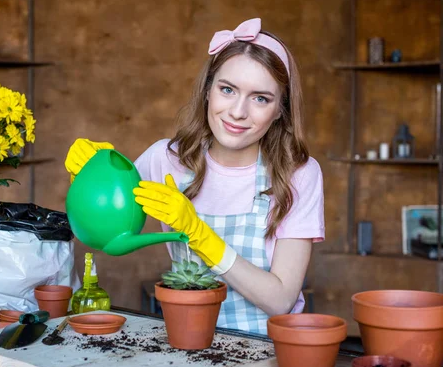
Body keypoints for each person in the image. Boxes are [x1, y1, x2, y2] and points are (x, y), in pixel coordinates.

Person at [64, 18, 324, 335]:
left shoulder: (298, 174)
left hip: (270, 351)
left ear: (280, 109)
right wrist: (91, 176)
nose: (238, 112)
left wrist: (200, 235)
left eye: (260, 98)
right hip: (187, 339)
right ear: (207, 91)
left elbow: (281, 300)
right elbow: (99, 236)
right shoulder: (166, 159)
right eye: (227, 89)